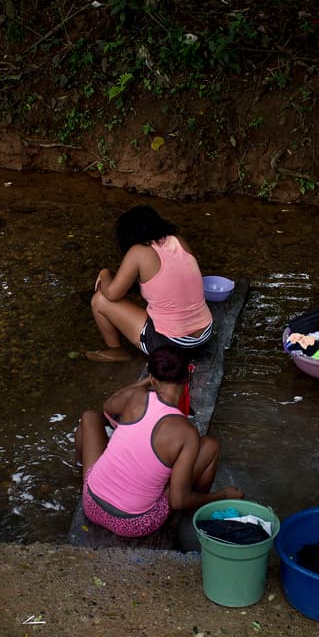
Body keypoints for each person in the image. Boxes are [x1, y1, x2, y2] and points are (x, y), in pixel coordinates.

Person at [75, 346, 243, 537]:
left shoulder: (136, 397)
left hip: (91, 503)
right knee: (210, 446)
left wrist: (148, 381)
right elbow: (178, 500)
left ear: (153, 379)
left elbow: (109, 405)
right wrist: (223, 495)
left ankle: (78, 467)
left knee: (90, 417)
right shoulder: (186, 433)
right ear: (187, 379)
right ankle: (192, 511)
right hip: (133, 524)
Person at [85, 204, 214, 362]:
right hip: (204, 334)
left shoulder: (138, 252)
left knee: (99, 300)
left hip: (172, 344)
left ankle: (116, 351)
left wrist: (104, 274)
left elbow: (112, 294)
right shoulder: (178, 241)